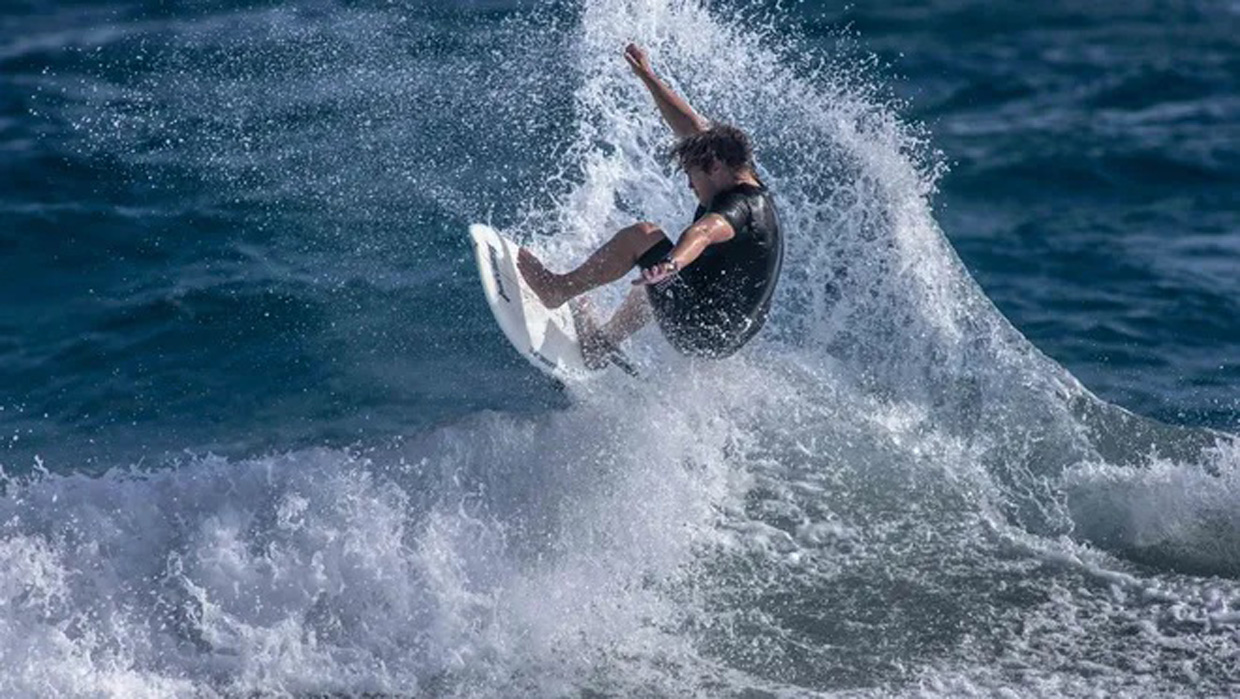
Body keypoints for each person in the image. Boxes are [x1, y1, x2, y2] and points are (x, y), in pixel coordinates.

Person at [518, 43, 783, 364]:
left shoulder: (738, 209)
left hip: (701, 332)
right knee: (653, 275)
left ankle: (556, 290)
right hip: (731, 332)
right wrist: (647, 76)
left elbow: (704, 232)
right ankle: (601, 343)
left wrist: (672, 264)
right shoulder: (736, 169)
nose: (689, 184)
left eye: (691, 174)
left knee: (644, 237)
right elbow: (693, 129)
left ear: (714, 168)